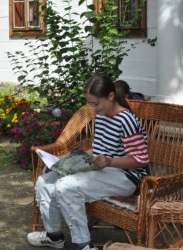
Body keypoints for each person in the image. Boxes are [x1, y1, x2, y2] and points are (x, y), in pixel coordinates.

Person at [27, 73, 149, 250]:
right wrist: (67, 161)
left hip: (126, 177)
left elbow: (141, 160)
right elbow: (98, 149)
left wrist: (110, 161)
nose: (92, 108)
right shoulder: (100, 116)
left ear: (111, 96)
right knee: (45, 181)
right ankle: (54, 236)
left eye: (96, 103)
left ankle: (83, 244)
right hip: (102, 169)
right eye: (90, 103)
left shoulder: (126, 120)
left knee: (66, 186)